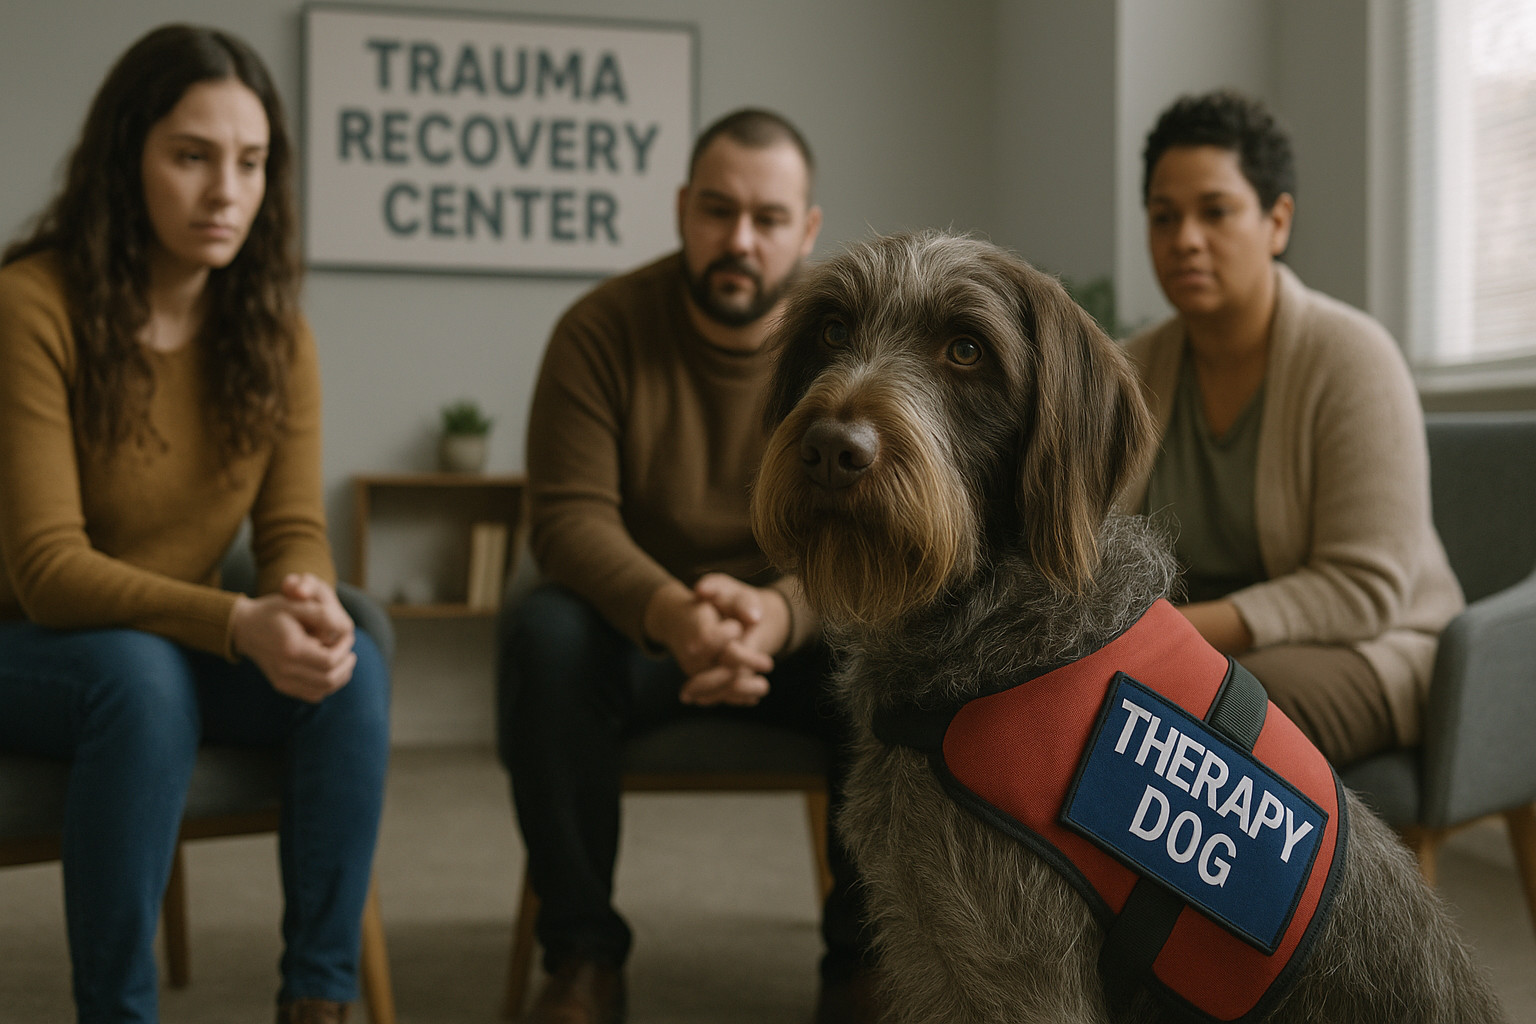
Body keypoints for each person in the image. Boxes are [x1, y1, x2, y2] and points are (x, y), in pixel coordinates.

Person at [0, 25, 390, 1024]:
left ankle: (318, 1001)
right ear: (124, 157)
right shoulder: (29, 306)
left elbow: (291, 524)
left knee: (352, 656)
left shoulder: (274, 331)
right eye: (192, 156)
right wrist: (235, 623)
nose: (226, 192)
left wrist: (303, 597)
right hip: (27, 642)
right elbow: (47, 569)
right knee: (141, 678)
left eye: (251, 163)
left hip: (165, 643)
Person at [497, 108, 880, 1024]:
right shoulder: (599, 329)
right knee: (542, 632)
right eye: (717, 210)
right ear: (681, 209)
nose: (739, 239)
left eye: (768, 218)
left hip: (798, 627)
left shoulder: (852, 350)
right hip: (640, 632)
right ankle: (582, 959)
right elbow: (567, 518)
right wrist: (674, 613)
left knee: (894, 642)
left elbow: (871, 531)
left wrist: (779, 614)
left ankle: (862, 968)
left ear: (808, 230)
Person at [1121, 89, 1464, 768]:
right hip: (1196, 651)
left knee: (1220, 713)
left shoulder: (1351, 357)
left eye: (1215, 212)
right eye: (1164, 217)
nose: (1185, 239)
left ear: (1277, 223)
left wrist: (1170, 636)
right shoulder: (1133, 371)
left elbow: (1361, 588)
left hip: (1373, 646)